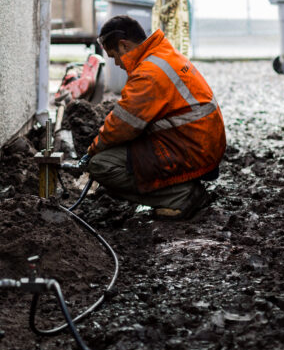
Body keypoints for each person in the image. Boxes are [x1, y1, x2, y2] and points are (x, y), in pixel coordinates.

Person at [85, 15, 225, 220]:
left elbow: (122, 126)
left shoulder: (148, 73)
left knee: (101, 165)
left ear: (124, 46)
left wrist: (91, 152)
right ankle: (182, 188)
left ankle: (180, 196)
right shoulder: (162, 53)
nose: (116, 63)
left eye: (114, 55)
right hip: (200, 142)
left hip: (194, 148)